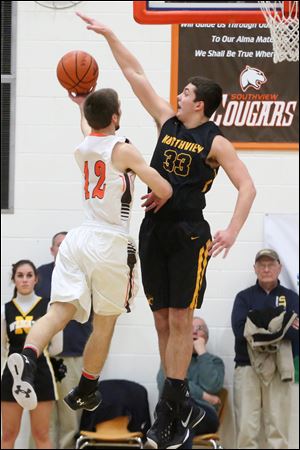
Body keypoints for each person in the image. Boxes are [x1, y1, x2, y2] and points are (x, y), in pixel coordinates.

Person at [76, 12, 256, 449]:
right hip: (153, 231)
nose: (178, 94)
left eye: (187, 92)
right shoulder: (166, 121)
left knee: (180, 320)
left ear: (201, 104)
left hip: (189, 235)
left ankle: (170, 411)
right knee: (160, 321)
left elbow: (247, 185)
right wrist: (112, 35)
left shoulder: (216, 142)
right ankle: (178, 404)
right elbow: (135, 74)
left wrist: (231, 229)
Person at [7, 88, 173, 420]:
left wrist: (81, 104)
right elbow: (164, 188)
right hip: (110, 242)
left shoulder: (83, 148)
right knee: (105, 322)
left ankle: (27, 355)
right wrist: (159, 192)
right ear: (115, 117)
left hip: (77, 239)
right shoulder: (123, 150)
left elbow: (87, 128)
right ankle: (86, 387)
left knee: (59, 313)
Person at [231, 249, 299, 449]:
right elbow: (240, 330)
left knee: (278, 429)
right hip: (247, 368)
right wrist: (281, 323)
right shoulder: (243, 298)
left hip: (280, 369)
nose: (266, 269)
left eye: (271, 264)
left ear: (280, 268)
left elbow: (296, 333)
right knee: (246, 429)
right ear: (255, 269)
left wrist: (258, 322)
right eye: (261, 265)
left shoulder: (292, 298)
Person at [35, 231, 93, 449]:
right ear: (52, 250)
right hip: (44, 357)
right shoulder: (39, 276)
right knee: (43, 418)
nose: (63, 248)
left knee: (71, 418)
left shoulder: (87, 275)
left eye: (67, 244)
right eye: (59, 244)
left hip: (75, 355)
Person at [1, 260, 62, 449]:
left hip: (40, 373)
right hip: (12, 375)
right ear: (14, 279)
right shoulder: (6, 309)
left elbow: (57, 347)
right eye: (20, 275)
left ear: (36, 279)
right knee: (8, 435)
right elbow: (2, 346)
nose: (25, 280)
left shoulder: (49, 308)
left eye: (29, 275)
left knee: (41, 434)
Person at [157, 316, 225, 449]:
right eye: (190, 328)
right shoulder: (172, 359)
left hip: (205, 415)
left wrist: (202, 353)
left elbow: (212, 387)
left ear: (206, 336)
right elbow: (164, 385)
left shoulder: (215, 362)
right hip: (176, 413)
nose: (194, 332)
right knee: (180, 416)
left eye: (199, 329)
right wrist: (205, 396)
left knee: (181, 411)